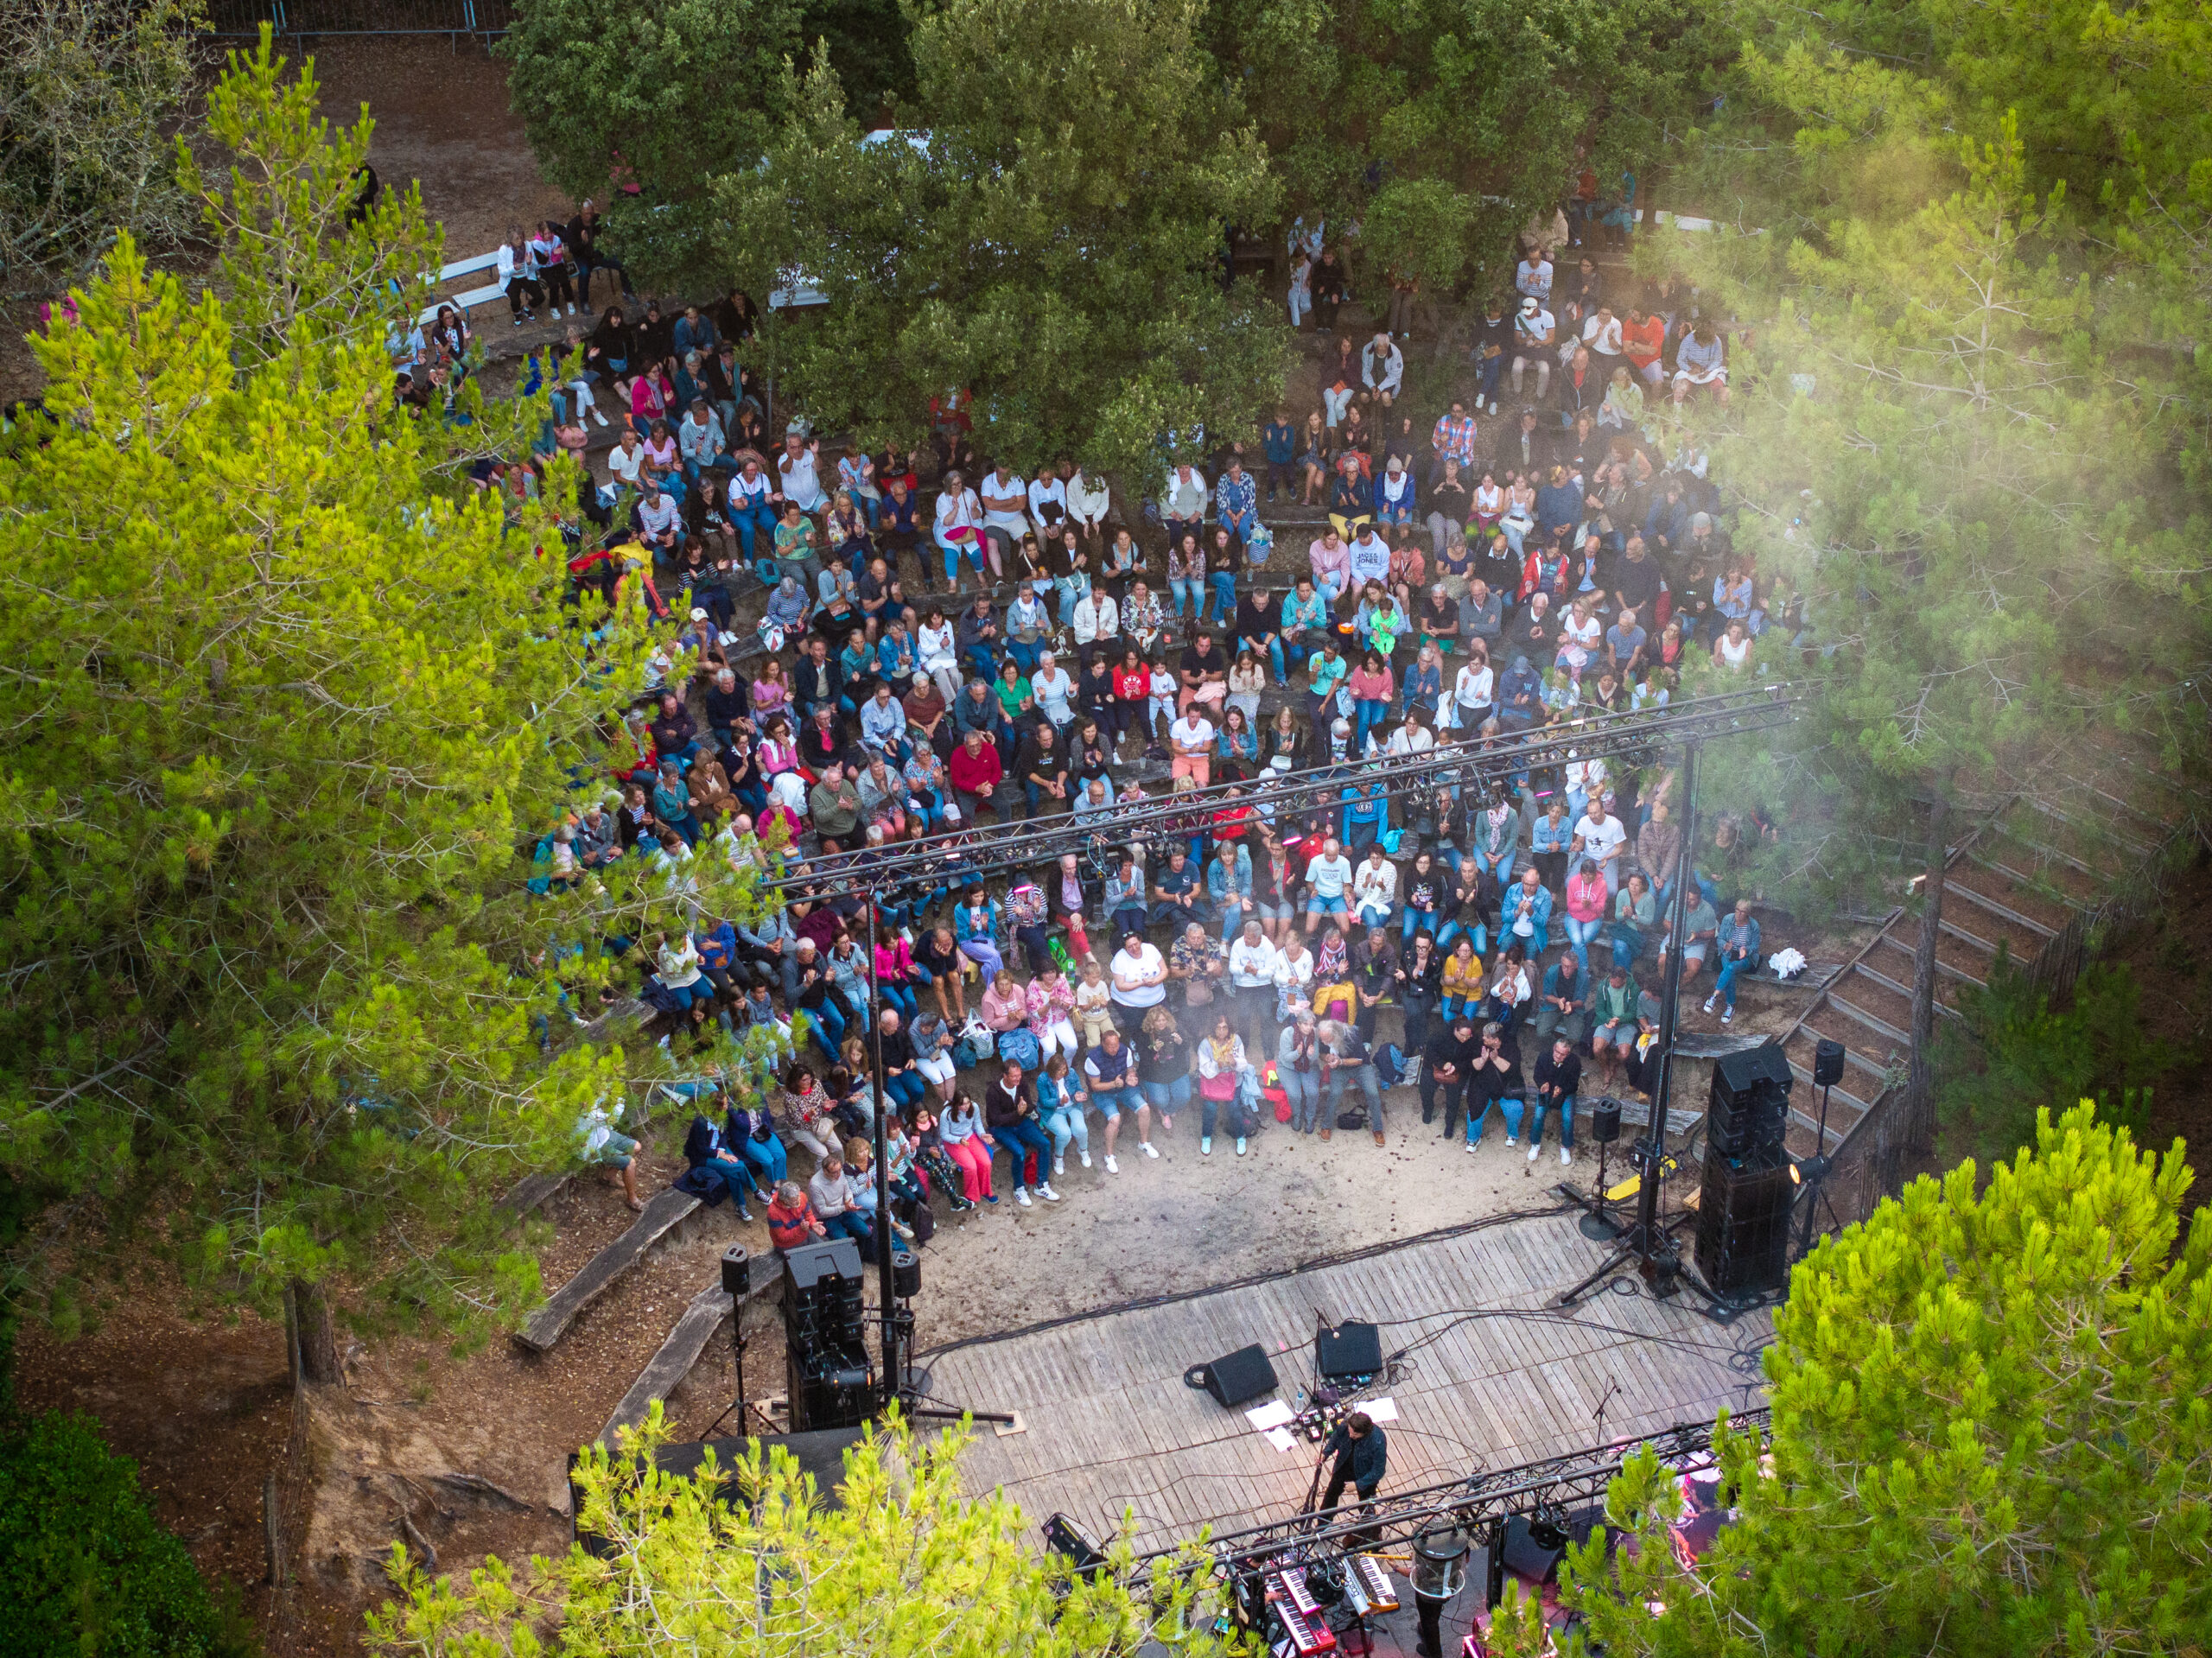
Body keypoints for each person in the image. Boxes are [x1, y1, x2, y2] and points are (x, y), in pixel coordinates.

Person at [1319, 1018, 1383, 1144]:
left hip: (1360, 1067)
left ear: (1335, 1035)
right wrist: (1326, 1057)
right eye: (1321, 1038)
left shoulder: (1351, 1035)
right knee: (1335, 1093)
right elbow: (1321, 1053)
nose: (1323, 1041)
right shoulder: (1323, 1035)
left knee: (1372, 1092)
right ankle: (1326, 1126)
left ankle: (1378, 1129)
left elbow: (1359, 1060)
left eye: (1326, 1039)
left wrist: (1340, 1061)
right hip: (1339, 1068)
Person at [1704, 898, 1763, 1025]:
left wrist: (1746, 949)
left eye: (1743, 911)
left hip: (1745, 957)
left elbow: (1755, 945)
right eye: (1737, 910)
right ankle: (1730, 1006)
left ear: (1748, 913)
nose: (1739, 914)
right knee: (1729, 972)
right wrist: (1725, 945)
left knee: (1730, 969)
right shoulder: (1728, 919)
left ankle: (1714, 996)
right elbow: (1720, 939)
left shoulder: (1753, 926)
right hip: (1728, 953)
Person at [1318, 1410, 1388, 1514]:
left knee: (1366, 1507)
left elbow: (1379, 1470)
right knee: (1330, 1497)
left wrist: (1358, 1485)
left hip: (1365, 1475)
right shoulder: (1345, 1426)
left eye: (1354, 1434)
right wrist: (1325, 1453)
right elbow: (1335, 1440)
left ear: (1364, 1433)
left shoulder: (1378, 1441)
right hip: (1344, 1466)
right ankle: (1322, 1526)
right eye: (1349, 1431)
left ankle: (1370, 1529)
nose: (1350, 1436)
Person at [1529, 1034, 1580, 1166]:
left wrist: (1562, 1089)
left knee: (1568, 1118)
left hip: (1565, 1093)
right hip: (1546, 1091)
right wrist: (1542, 1084)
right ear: (1553, 1048)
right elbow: (1537, 1075)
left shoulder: (1574, 1061)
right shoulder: (1544, 1057)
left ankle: (1565, 1146)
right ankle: (1535, 1144)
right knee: (1538, 1115)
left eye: (1563, 1054)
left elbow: (1574, 1084)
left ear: (1568, 1054)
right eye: (1557, 1052)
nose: (1558, 1056)